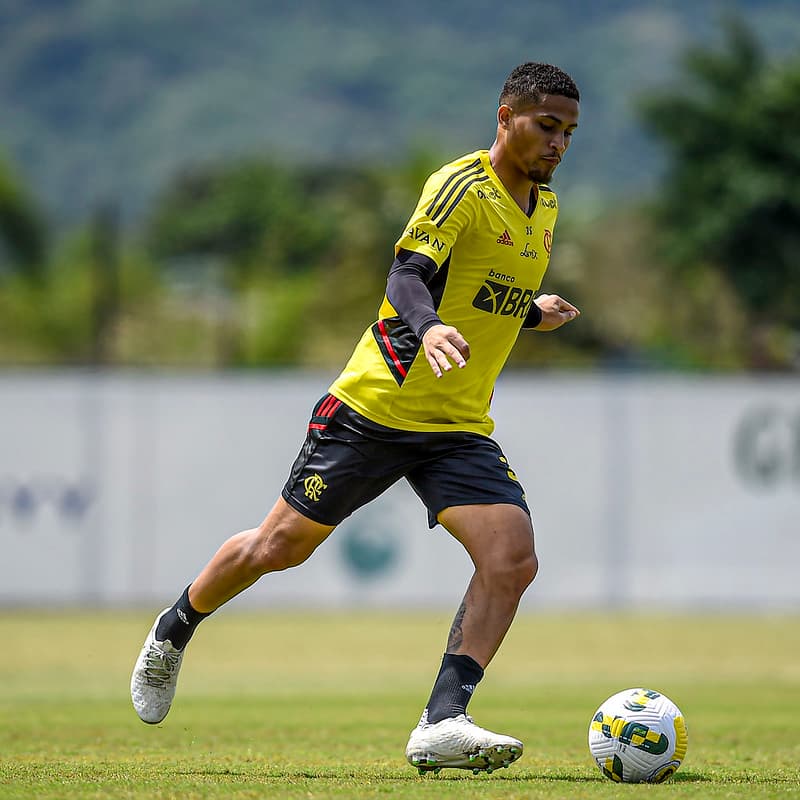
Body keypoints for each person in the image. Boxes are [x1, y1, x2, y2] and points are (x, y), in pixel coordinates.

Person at [131, 61, 581, 775]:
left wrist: (530, 309)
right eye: (546, 126)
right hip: (375, 407)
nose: (558, 143)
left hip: (457, 423)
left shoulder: (545, 206)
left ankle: (443, 720)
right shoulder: (461, 185)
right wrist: (429, 329)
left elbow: (482, 289)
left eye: (568, 132)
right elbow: (406, 276)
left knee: (512, 558)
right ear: (505, 117)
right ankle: (173, 630)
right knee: (278, 548)